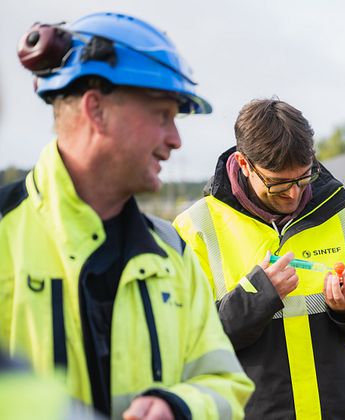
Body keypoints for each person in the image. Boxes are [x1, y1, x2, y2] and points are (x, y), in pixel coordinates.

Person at [0, 12, 253, 419]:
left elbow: (226, 383)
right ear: (96, 110)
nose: (175, 140)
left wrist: (180, 407)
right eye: (162, 116)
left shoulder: (174, 253)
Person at [173, 98, 345, 419]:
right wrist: (255, 297)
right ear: (243, 163)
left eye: (303, 178)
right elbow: (183, 347)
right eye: (278, 183)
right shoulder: (196, 228)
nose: (293, 194)